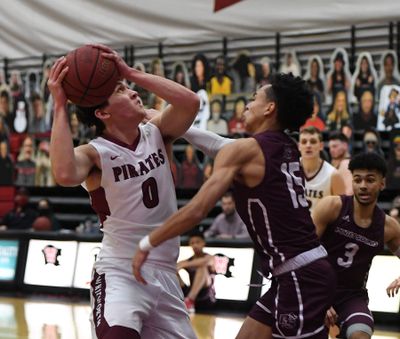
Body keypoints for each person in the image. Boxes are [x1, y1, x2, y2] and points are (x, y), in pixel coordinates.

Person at [133, 73, 336, 339]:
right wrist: (166, 122)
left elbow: (197, 209)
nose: (248, 105)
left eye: (254, 99)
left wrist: (147, 243)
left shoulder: (248, 150)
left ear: (269, 108)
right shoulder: (283, 145)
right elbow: (219, 144)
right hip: (296, 273)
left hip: (300, 276)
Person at [47, 45, 200, 339]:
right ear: (102, 112)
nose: (132, 91)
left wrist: (129, 73)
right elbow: (64, 173)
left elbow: (190, 102)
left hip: (166, 275)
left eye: (128, 87)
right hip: (120, 272)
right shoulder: (94, 154)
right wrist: (58, 105)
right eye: (121, 90)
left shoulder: (157, 132)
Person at [312, 152, 400, 339]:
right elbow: (303, 251)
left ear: (382, 183)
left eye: (370, 180)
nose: (363, 186)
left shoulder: (388, 226)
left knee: (361, 333)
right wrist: (318, 296)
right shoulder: (332, 206)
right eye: (357, 180)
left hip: (351, 296)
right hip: (315, 288)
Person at [299, 126, 346, 211]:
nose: (308, 145)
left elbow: (343, 211)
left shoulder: (333, 175)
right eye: (304, 142)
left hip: (320, 223)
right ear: (299, 146)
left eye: (313, 142)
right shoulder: (290, 169)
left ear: (321, 146)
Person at [177, 231, 216, 313]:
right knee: (172, 271)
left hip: (206, 296)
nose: (195, 245)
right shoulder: (188, 260)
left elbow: (204, 262)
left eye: (197, 242)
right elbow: (176, 266)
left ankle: (189, 301)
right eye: (192, 243)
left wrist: (184, 264)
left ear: (203, 243)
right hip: (189, 292)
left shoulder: (210, 258)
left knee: (201, 268)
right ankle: (179, 299)